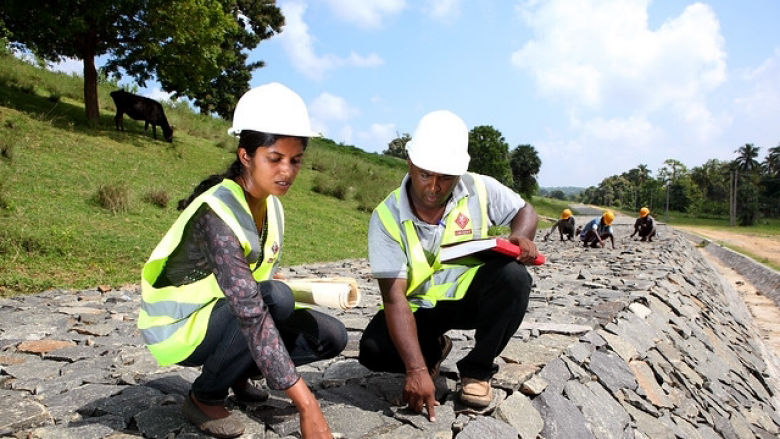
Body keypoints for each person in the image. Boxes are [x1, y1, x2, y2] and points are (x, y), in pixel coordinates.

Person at [137, 83, 345, 439]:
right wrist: (307, 405)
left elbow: (256, 277)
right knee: (273, 299)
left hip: (225, 314)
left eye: (295, 160)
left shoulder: (272, 205)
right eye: (275, 158)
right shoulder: (216, 213)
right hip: (182, 327)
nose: (287, 171)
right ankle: (204, 397)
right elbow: (251, 308)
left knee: (331, 336)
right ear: (246, 155)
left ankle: (235, 373)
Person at [358, 110, 539, 419]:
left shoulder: (479, 187)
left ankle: (477, 371)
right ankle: (433, 350)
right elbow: (394, 298)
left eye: (445, 177)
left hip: (469, 298)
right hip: (417, 308)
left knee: (514, 278)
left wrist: (520, 235)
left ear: (459, 172)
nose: (434, 186)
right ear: (410, 164)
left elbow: (525, 211)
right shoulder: (386, 216)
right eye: (425, 174)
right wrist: (415, 369)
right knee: (374, 350)